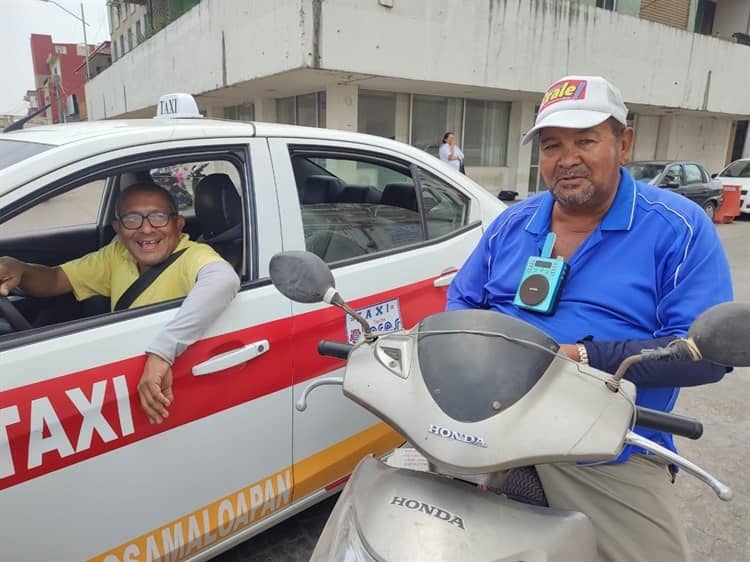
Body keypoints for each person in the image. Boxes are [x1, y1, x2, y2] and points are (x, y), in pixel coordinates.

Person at [447, 75, 732, 562]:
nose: (567, 158)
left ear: (624, 145)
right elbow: (462, 305)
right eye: (552, 144)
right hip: (490, 425)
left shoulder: (678, 228)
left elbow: (706, 353)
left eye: (585, 140)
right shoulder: (512, 224)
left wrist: (577, 357)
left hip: (606, 449)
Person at [0, 182, 240, 425]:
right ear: (118, 228)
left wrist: (162, 353)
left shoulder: (193, 255)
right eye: (132, 219)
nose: (146, 229)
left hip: (176, 387)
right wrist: (20, 268)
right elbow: (56, 279)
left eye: (158, 217)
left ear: (178, 224)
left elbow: (223, 280)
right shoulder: (117, 255)